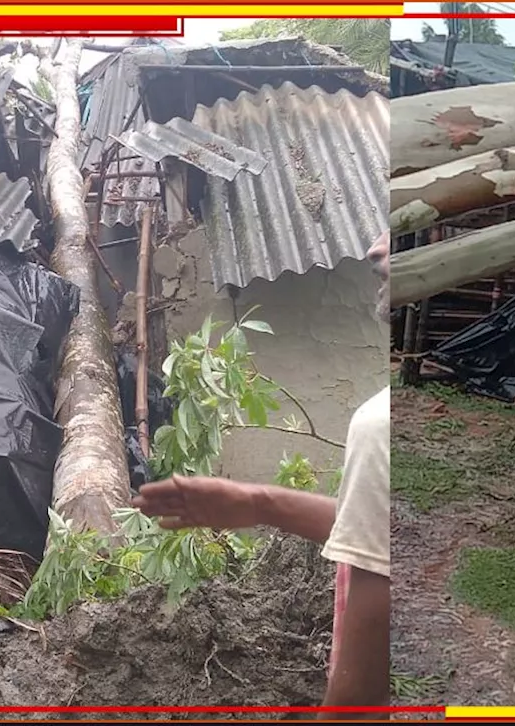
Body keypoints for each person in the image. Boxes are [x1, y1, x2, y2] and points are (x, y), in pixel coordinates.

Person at [132, 231, 391, 717]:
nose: (375, 250)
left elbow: (361, 697)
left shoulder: (379, 426)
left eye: (396, 235)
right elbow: (383, 535)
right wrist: (258, 504)